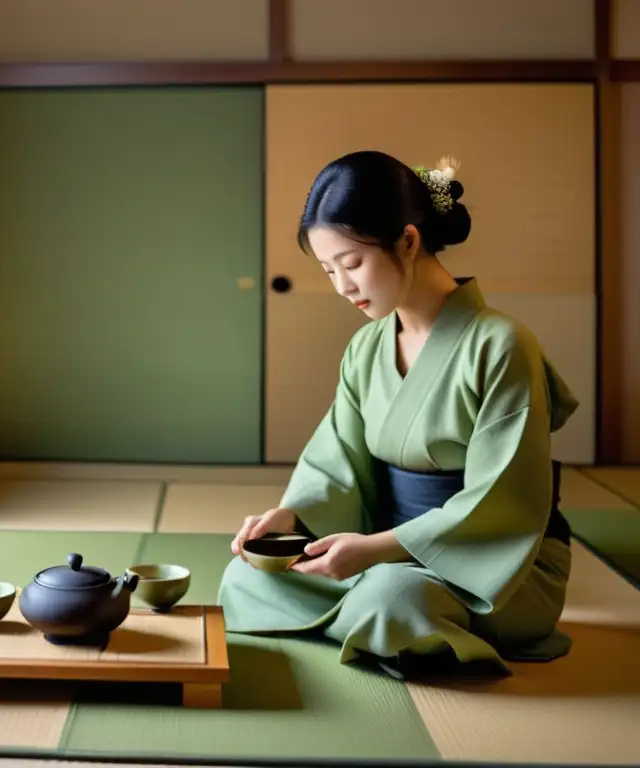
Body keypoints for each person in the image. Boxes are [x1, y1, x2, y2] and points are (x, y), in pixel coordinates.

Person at [217, 150, 578, 680]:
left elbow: (506, 501)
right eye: (327, 269)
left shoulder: (502, 345)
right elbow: (336, 460)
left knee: (391, 600)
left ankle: (372, 617)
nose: (342, 286)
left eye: (352, 263)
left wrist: (375, 553)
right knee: (245, 579)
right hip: (383, 549)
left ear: (409, 240)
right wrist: (290, 518)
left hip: (497, 564)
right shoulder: (367, 348)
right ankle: (377, 624)